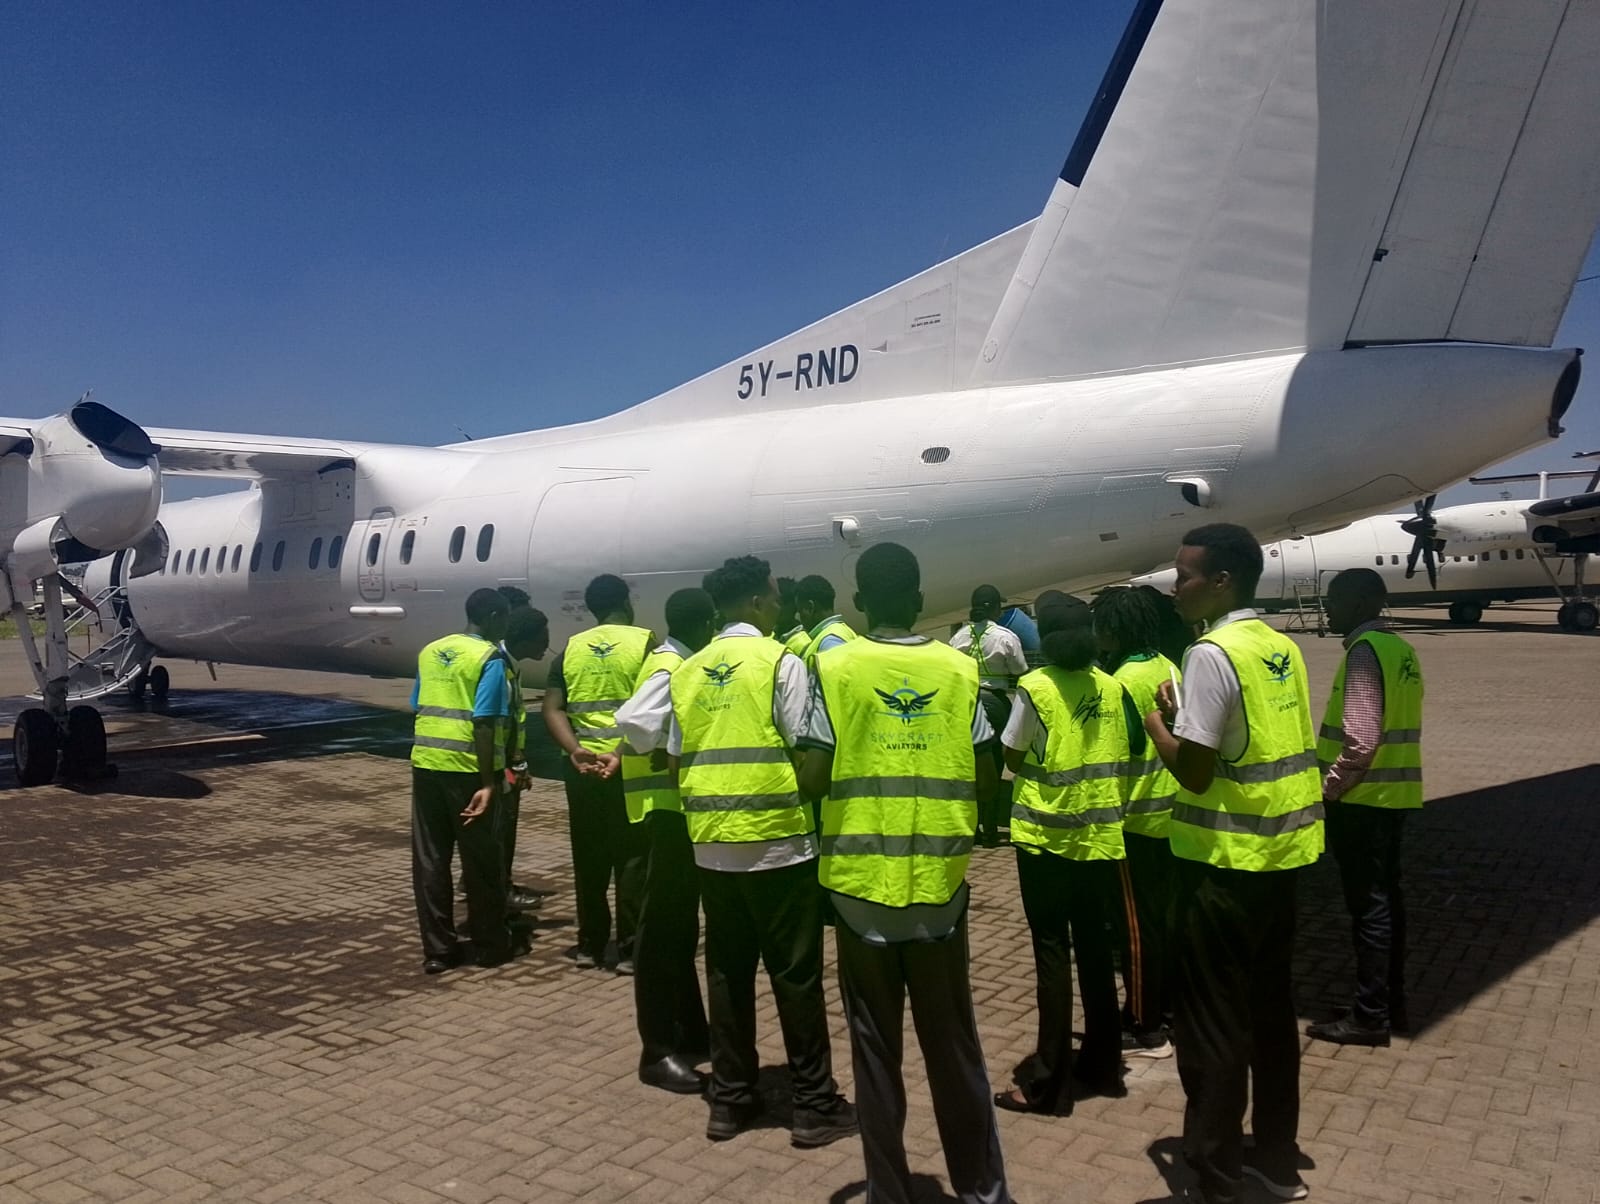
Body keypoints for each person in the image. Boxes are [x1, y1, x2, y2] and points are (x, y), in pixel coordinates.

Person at [799, 541, 1011, 1204]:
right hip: (939, 891)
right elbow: (987, 774)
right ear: (920, 600)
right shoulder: (959, 669)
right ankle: (983, 1192)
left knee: (874, 1055)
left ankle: (888, 1194)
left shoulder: (833, 667)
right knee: (955, 1051)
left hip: (860, 894)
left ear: (859, 602)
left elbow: (814, 775)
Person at [632, 554, 855, 1147]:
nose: (780, 606)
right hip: (778, 845)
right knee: (795, 976)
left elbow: (675, 763)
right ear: (756, 602)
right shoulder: (781, 662)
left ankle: (730, 1101)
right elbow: (808, 752)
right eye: (775, 598)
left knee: (727, 973)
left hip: (711, 846)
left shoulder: (689, 670)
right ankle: (813, 1105)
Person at [1144, 523, 1323, 1204]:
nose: (1175, 588)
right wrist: (1190, 722)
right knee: (1271, 1014)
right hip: (1282, 857)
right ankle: (1276, 1158)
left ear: (1221, 581)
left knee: (1213, 1024)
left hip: (1220, 867)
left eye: (1184, 576)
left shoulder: (1210, 653)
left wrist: (1159, 727)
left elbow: (1195, 772)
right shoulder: (1280, 647)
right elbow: (1253, 740)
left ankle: (1215, 1176)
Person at [996, 594, 1142, 1114]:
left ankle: (1049, 1083)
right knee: (1096, 951)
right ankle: (1104, 1067)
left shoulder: (1036, 687)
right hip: (1100, 837)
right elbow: (1133, 746)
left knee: (1053, 953)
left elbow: (1013, 754)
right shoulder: (1111, 685)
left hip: (1045, 841)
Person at [1307, 568, 1423, 1047]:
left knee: (1369, 910)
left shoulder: (1363, 653)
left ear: (1358, 603)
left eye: (1333, 600)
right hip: (1394, 797)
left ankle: (1369, 1016)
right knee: (1388, 904)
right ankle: (1388, 1005)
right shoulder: (1402, 650)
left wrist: (1329, 790)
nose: (1326, 608)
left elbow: (1360, 740)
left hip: (1362, 800)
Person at [615, 588, 718, 1094]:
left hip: (674, 814)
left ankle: (691, 1032)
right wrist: (663, 749)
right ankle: (655, 1052)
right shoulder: (671, 665)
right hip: (664, 813)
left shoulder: (676, 660)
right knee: (660, 934)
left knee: (679, 930)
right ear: (705, 624)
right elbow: (634, 720)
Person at [541, 574, 651, 972]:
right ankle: (629, 949)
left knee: (589, 858)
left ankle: (590, 944)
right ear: (626, 603)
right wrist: (619, 751)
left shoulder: (570, 649)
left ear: (592, 608)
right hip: (627, 767)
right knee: (632, 859)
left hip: (582, 771)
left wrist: (575, 750)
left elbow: (552, 708)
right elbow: (652, 708)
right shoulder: (645, 643)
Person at [409, 588, 522, 973]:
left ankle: (438, 950)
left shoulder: (430, 651)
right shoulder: (490, 658)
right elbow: (484, 720)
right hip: (469, 770)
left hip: (426, 765)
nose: (507, 626)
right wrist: (489, 783)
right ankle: (490, 945)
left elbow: (417, 703)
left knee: (430, 860)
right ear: (493, 617)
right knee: (482, 860)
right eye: (506, 619)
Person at [1093, 586, 1183, 1060]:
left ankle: (1145, 1025)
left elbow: (1119, 751)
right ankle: (1169, 1010)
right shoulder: (1169, 665)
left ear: (1113, 630)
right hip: (1175, 814)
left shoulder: (1119, 682)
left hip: (1136, 820)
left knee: (1134, 927)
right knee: (1165, 921)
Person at [950, 584, 1029, 847]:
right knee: (994, 764)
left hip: (967, 701)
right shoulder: (1005, 637)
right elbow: (1019, 669)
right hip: (995, 703)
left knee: (968, 765)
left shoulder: (959, 637)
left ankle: (971, 827)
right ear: (995, 608)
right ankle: (991, 831)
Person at [497, 605, 551, 914]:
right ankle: (500, 892)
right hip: (499, 765)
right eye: (543, 638)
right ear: (526, 639)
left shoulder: (510, 665)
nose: (547, 644)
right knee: (502, 828)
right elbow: (496, 723)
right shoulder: (498, 667)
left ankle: (491, 884)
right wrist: (514, 765)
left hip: (505, 761)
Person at [795, 574, 858, 668]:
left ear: (810, 608)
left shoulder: (829, 642)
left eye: (800, 611)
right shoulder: (842, 630)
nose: (800, 619)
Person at [775, 576, 809, 656]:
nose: (775, 607)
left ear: (794, 606)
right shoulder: (772, 635)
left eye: (780, 603)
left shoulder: (803, 642)